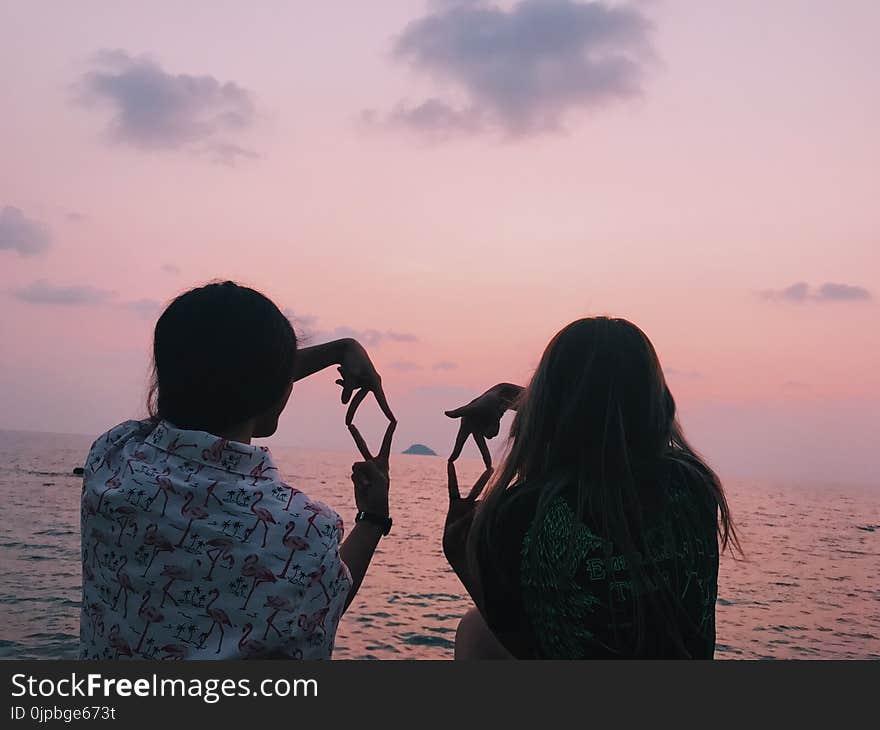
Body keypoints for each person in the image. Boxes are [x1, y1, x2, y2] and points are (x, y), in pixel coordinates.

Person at [79, 281, 395, 660]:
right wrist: (373, 517)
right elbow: (320, 607)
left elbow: (213, 374)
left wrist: (338, 351)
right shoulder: (303, 528)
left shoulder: (111, 457)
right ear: (276, 388)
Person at [443, 317, 740, 659]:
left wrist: (464, 557)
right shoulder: (695, 486)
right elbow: (613, 419)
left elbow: (524, 645)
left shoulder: (521, 515)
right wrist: (505, 395)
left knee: (474, 630)